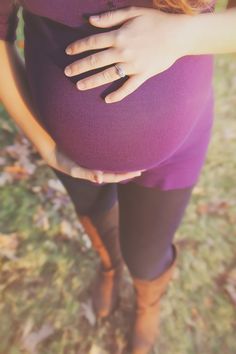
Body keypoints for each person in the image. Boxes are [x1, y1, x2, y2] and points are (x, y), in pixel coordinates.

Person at [0, 0, 236, 353]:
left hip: (176, 148)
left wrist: (182, 36)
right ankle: (108, 266)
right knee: (96, 217)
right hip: (69, 152)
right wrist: (46, 146)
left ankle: (147, 303)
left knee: (146, 254)